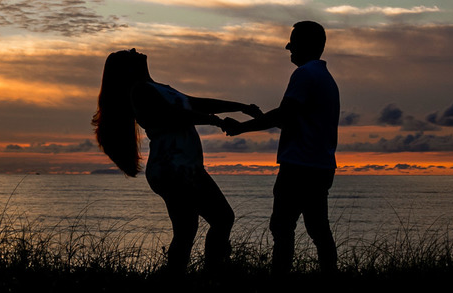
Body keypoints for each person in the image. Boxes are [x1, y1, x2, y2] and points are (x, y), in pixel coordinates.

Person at [93, 49, 261, 274]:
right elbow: (173, 114)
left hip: (182, 167)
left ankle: (184, 277)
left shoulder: (158, 88)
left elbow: (195, 103)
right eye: (128, 53)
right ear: (128, 68)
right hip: (173, 168)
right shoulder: (140, 91)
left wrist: (239, 106)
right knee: (219, 219)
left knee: (189, 229)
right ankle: (211, 274)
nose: (134, 50)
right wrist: (214, 121)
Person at [223, 21, 339, 274]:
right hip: (320, 165)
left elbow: (285, 116)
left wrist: (242, 127)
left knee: (282, 227)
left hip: (299, 165)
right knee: (318, 229)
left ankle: (280, 285)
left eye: (293, 41)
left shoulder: (305, 74)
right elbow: (293, 120)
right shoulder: (325, 78)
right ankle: (330, 279)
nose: (288, 46)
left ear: (307, 44)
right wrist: (262, 119)